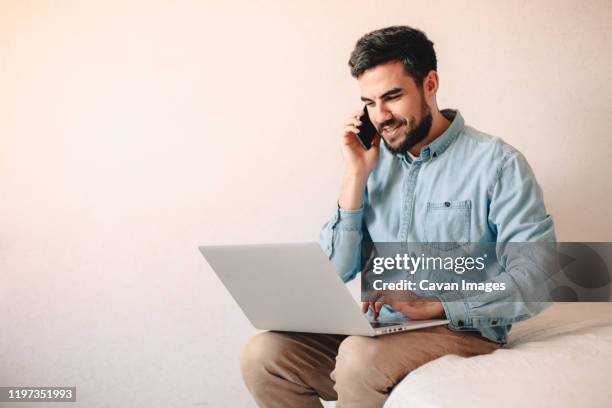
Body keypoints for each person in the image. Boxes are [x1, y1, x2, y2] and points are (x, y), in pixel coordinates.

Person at [240, 25, 556, 407]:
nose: (381, 116)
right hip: (376, 333)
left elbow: (536, 278)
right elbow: (335, 268)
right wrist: (355, 175)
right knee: (263, 354)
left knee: (358, 357)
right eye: (369, 103)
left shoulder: (497, 164)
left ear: (430, 83)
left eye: (392, 97)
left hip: (461, 330)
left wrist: (439, 303)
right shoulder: (373, 162)